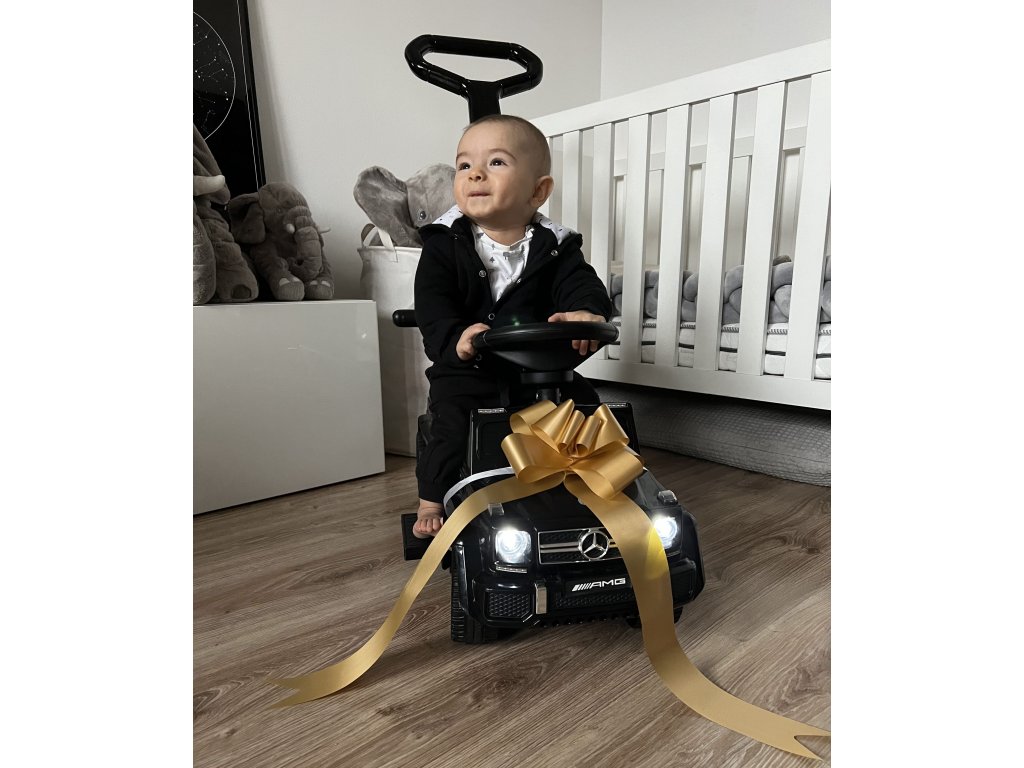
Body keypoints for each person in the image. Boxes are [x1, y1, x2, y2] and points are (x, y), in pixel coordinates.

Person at [412, 114, 613, 538]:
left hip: (538, 371)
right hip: (468, 369)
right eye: (464, 165)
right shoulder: (443, 245)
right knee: (452, 421)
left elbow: (581, 284)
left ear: (538, 191)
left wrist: (584, 311)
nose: (475, 174)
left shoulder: (556, 247)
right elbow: (432, 305)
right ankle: (432, 496)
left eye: (496, 162)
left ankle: (603, 483)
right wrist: (456, 337)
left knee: (586, 406)